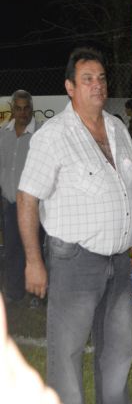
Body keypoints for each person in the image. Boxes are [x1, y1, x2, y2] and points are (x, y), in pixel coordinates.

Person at [17, 47, 132, 404]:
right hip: (74, 261)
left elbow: (128, 193)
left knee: (119, 351)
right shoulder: (54, 135)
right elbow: (27, 198)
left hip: (119, 261)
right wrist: (33, 261)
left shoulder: (118, 129)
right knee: (67, 353)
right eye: (87, 79)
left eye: (102, 78)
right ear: (69, 87)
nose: (97, 85)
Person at [0, 90, 39, 305]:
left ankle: (36, 294)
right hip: (9, 204)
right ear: (12, 109)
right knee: (12, 250)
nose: (23, 113)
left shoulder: (40, 134)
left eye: (26, 108)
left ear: (31, 109)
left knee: (34, 249)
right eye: (18, 108)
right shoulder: (2, 134)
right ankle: (14, 294)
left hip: (33, 206)